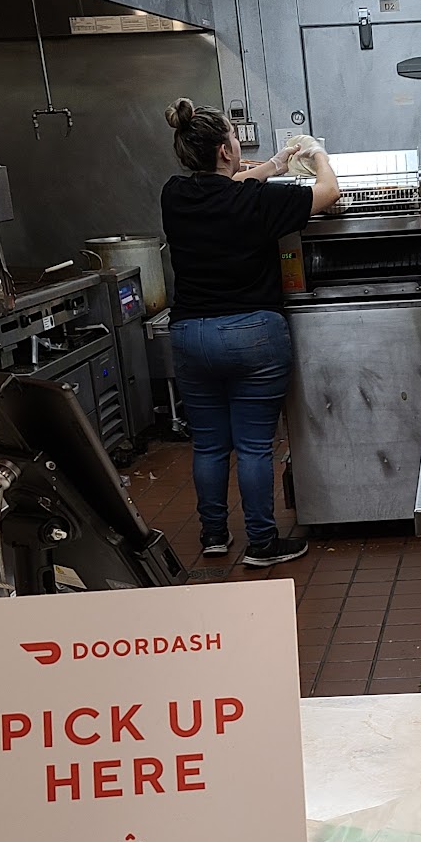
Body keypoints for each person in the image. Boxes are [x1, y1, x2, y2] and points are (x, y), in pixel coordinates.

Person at [161, 101, 339, 566]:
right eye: (234, 139)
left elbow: (228, 185)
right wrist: (316, 153)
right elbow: (329, 192)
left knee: (210, 444)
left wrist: (275, 163)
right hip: (252, 334)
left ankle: (214, 536)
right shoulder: (260, 202)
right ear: (225, 150)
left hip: (191, 334)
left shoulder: (174, 195)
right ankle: (261, 542)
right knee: (255, 446)